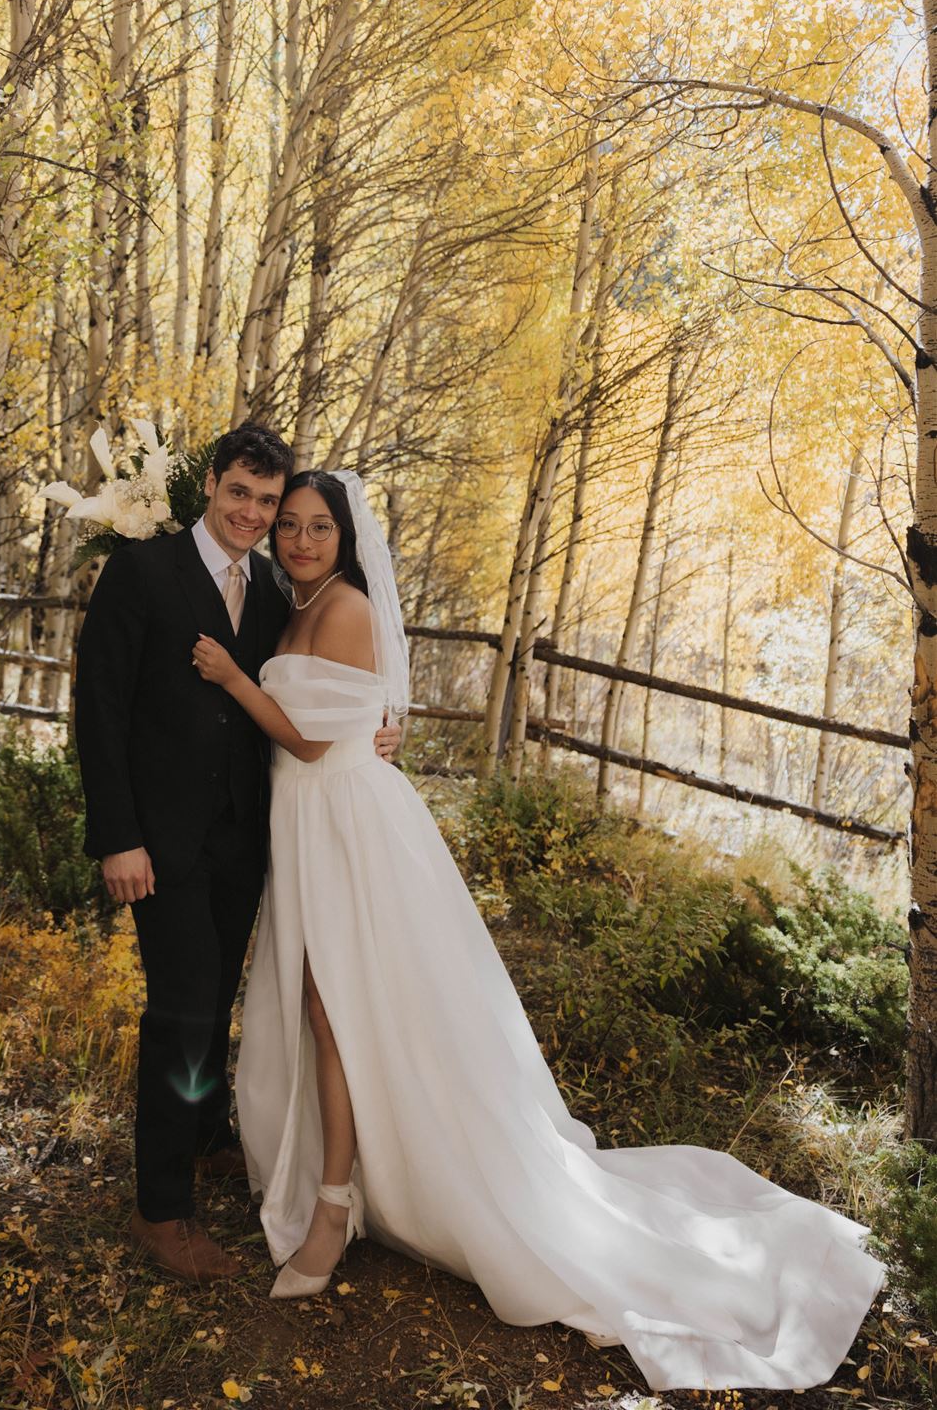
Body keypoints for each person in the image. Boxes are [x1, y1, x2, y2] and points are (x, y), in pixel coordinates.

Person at [191, 468, 885, 1392]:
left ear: (345, 539)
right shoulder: (292, 600)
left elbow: (315, 739)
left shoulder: (346, 605)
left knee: (338, 1006)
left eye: (319, 527)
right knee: (333, 1006)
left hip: (350, 826)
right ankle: (343, 1181)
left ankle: (332, 1202)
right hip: (315, 824)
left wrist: (237, 677)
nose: (301, 539)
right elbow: (338, 719)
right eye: (289, 525)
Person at [73, 425, 400, 1284]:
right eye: (240, 496)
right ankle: (162, 1208)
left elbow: (311, 697)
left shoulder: (272, 589)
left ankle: (204, 1131)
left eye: (270, 502)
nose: (256, 516)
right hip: (160, 843)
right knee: (180, 1011)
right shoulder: (141, 573)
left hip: (248, 840)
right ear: (209, 486)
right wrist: (118, 837)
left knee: (215, 997)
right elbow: (98, 711)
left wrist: (374, 727)